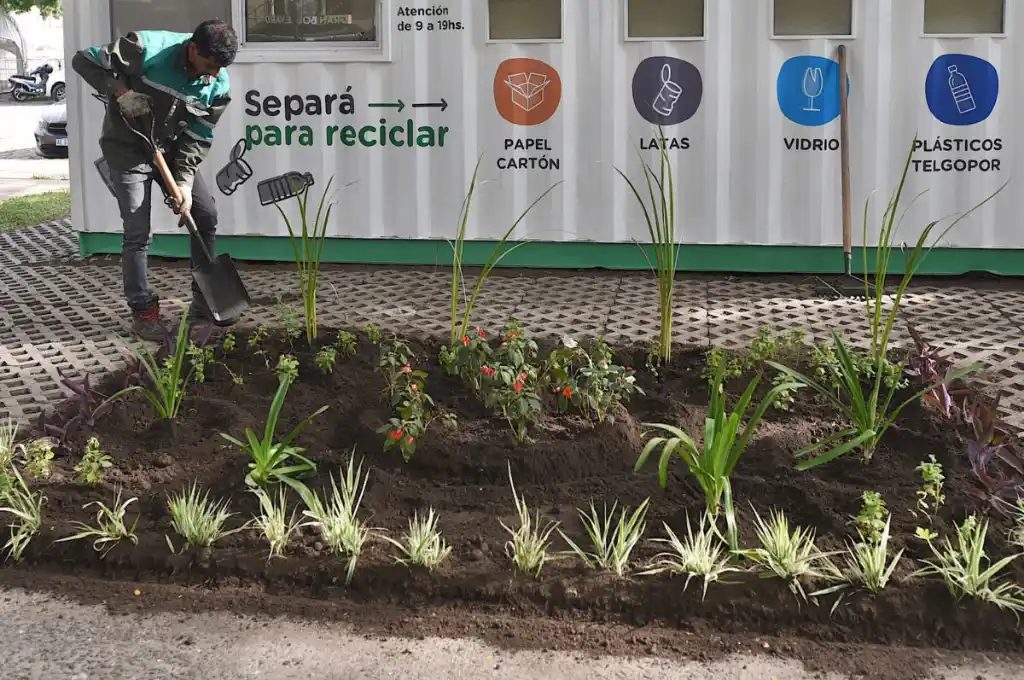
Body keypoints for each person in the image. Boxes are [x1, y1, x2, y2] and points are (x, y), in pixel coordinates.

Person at [72, 20, 239, 341]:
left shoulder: (217, 83)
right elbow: (84, 60)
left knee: (205, 215)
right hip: (128, 148)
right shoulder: (144, 49)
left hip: (173, 151)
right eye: (209, 66)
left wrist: (185, 182)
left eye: (220, 69)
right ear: (193, 49)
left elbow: (199, 134)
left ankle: (205, 304)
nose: (214, 75)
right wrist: (119, 91)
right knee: (138, 231)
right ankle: (143, 312)